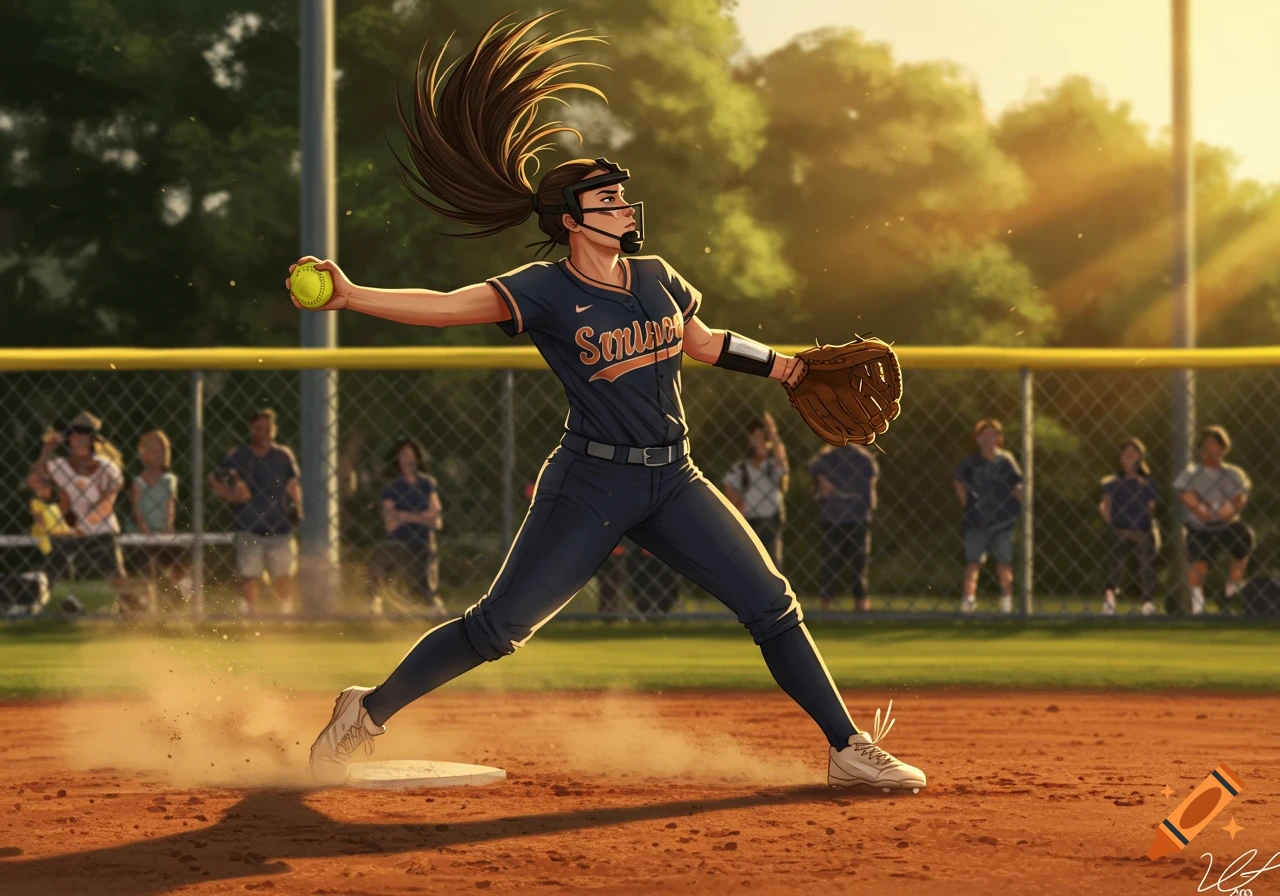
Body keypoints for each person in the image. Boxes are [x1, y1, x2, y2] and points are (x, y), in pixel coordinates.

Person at [294, 13, 923, 793]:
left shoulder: (655, 275)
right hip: (589, 485)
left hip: (675, 480)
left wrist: (789, 368)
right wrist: (352, 296)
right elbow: (448, 304)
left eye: (624, 199)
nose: (625, 208)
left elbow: (700, 340)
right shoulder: (547, 291)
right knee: (498, 629)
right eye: (610, 200)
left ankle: (846, 747)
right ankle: (367, 710)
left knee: (772, 603)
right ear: (573, 220)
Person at [27, 412, 144, 613]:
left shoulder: (108, 467)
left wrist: (83, 526)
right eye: (72, 436)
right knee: (52, 572)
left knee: (115, 576)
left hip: (100, 530)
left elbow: (106, 504)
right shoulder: (60, 466)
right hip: (69, 531)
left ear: (92, 440)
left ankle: (138, 611)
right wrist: (46, 451)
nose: (76, 440)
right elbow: (35, 482)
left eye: (81, 437)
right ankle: (29, 608)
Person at [209, 408, 302, 615]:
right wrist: (232, 495)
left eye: (269, 428)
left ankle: (285, 611)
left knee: (283, 573)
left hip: (279, 523)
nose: (265, 433)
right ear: (252, 431)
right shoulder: (241, 455)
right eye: (259, 429)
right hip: (249, 523)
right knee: (249, 574)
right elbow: (214, 478)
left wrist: (297, 506)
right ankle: (249, 613)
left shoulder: (282, 456)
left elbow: (293, 483)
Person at [1174, 425, 1254, 616]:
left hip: (1226, 524)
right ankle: (1198, 604)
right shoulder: (1192, 472)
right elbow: (1186, 495)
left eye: (1212, 443)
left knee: (1244, 539)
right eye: (1204, 444)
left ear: (1222, 447)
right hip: (1200, 525)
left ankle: (1230, 591)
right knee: (1198, 561)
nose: (1208, 448)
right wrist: (1204, 511)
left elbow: (1239, 499)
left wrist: (1226, 511)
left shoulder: (1234, 473)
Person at [366, 436, 445, 617]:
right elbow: (391, 524)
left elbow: (436, 519)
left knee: (422, 585)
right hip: (398, 543)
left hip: (422, 542)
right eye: (402, 455)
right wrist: (421, 516)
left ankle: (435, 611)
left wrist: (405, 516)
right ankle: (373, 609)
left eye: (411, 455)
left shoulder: (426, 483)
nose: (407, 460)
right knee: (377, 567)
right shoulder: (392, 488)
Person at [953, 418, 1023, 614]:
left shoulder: (1006, 460)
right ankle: (968, 601)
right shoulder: (972, 462)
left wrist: (1020, 503)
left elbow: (1018, 484)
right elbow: (958, 481)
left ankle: (1007, 602)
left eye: (993, 434)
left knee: (1004, 563)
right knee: (973, 562)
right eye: (984, 435)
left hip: (1003, 520)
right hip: (977, 520)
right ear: (978, 439)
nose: (988, 439)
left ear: (999, 438)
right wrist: (966, 502)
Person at [808, 443, 879, 612]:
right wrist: (822, 482)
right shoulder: (828, 455)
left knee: (857, 564)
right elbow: (812, 468)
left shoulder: (863, 458)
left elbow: (871, 484)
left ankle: (860, 604)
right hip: (835, 517)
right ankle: (827, 605)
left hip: (857, 516)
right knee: (835, 562)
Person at [130, 430, 193, 610]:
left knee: (179, 564)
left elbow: (169, 506)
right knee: (146, 570)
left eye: (162, 451)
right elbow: (137, 508)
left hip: (163, 531)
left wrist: (168, 527)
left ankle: (181, 598)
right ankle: (147, 607)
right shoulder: (138, 482)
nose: (158, 456)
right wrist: (145, 531)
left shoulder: (168, 479)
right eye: (153, 451)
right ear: (143, 454)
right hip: (144, 533)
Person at [1097, 438, 1160, 616]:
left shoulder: (1148, 482)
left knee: (1145, 564)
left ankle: (1147, 601)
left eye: (1134, 452)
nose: (1129, 455)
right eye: (1126, 453)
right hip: (1119, 528)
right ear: (1121, 458)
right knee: (1114, 565)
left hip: (1142, 530)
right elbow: (1104, 505)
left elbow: (1151, 508)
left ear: (1140, 456)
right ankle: (1109, 599)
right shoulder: (1112, 482)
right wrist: (1114, 524)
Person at [721, 412, 790, 566]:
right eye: (755, 438)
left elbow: (782, 461)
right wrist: (737, 505)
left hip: (771, 520)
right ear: (749, 440)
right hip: (749, 522)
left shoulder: (772, 465)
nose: (759, 444)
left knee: (772, 564)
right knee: (749, 564)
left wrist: (772, 433)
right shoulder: (741, 467)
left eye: (762, 439)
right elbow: (729, 488)